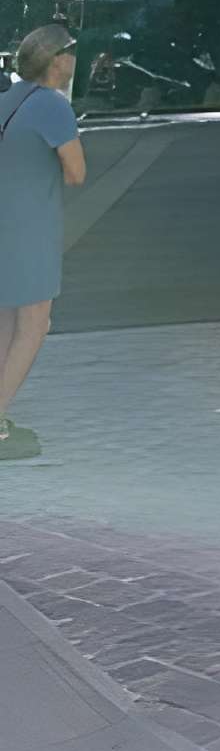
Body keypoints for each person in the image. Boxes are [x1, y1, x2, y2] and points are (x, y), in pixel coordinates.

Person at [0, 24, 88, 462]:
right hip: (29, 229)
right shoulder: (52, 106)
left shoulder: (5, 100)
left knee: (4, 323)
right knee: (34, 324)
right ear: (58, 61)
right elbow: (76, 173)